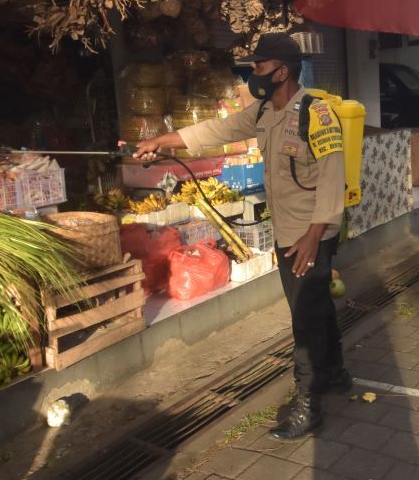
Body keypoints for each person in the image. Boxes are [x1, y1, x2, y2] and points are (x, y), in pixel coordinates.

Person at [134, 33, 348, 438]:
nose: (254, 73)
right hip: (289, 230)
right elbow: (218, 130)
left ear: (281, 70)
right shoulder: (265, 112)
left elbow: (334, 177)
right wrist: (162, 141)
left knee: (305, 317)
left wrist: (314, 236)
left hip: (311, 233)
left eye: (260, 66)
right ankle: (334, 373)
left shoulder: (316, 114)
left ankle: (308, 402)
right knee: (315, 307)